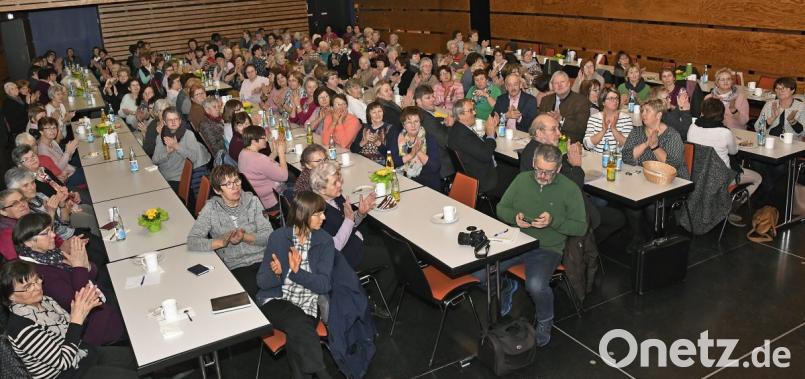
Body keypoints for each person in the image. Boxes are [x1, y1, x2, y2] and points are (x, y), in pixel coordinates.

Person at [494, 144, 587, 346]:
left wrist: (554, 221)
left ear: (559, 169)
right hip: (517, 240)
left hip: (547, 248)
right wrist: (514, 217)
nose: (543, 176)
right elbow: (501, 208)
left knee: (535, 285)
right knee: (481, 273)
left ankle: (545, 320)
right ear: (534, 163)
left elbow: (580, 227)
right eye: (539, 170)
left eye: (549, 172)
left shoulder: (569, 189)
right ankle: (507, 286)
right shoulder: (522, 180)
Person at [2, 260, 139, 379]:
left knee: (138, 358)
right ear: (11, 297)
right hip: (69, 374)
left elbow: (71, 329)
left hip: (83, 354)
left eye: (37, 280)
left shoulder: (45, 301)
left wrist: (83, 310)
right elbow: (63, 362)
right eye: (28, 287)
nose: (37, 287)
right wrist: (77, 319)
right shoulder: (21, 328)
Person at [10, 213, 124, 346]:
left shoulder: (48, 254)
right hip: (98, 323)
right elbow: (80, 300)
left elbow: (92, 273)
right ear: (28, 242)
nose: (53, 235)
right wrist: (79, 266)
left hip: (103, 299)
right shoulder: (36, 274)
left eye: (52, 229)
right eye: (46, 233)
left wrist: (84, 265)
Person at [256, 191, 334, 379]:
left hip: (307, 302)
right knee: (299, 323)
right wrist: (277, 274)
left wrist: (297, 273)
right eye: (318, 213)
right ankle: (323, 374)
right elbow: (261, 282)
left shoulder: (324, 241)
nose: (324, 217)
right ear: (302, 215)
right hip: (277, 300)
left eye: (323, 212)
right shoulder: (278, 238)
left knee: (297, 332)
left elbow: (324, 285)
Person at [187, 165, 271, 296]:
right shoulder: (211, 209)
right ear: (217, 190)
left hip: (262, 259)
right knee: (252, 294)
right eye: (228, 184)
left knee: (275, 289)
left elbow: (269, 236)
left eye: (237, 181)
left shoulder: (253, 201)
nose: (235, 187)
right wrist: (221, 242)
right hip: (236, 266)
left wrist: (245, 237)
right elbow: (193, 241)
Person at [687, 98, 762, 224]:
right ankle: (731, 207)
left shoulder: (692, 127)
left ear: (702, 112)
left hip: (696, 176)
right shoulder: (724, 132)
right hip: (720, 178)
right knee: (758, 178)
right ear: (721, 114)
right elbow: (733, 152)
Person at [310, 160, 376, 270]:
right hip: (346, 258)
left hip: (355, 240)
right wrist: (350, 220)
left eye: (339, 179)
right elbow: (333, 248)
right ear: (321, 189)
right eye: (334, 183)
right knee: (389, 257)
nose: (340, 184)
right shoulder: (318, 213)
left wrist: (360, 213)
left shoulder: (335, 196)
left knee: (387, 243)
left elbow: (347, 222)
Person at [622, 99, 689, 179]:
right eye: (642, 111)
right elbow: (626, 157)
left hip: (671, 182)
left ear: (658, 115)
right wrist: (646, 144)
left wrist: (655, 147)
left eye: (647, 111)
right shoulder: (637, 131)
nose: (643, 114)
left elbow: (672, 166)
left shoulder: (672, 135)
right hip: (643, 179)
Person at [447, 99, 501, 195]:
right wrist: (490, 134)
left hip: (472, 171)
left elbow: (477, 145)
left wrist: (491, 131)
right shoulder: (463, 136)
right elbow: (486, 155)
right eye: (471, 110)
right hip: (483, 179)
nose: (475, 113)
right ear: (460, 115)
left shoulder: (458, 129)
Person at [152, 107, 211, 191]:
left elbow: (194, 157)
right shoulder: (161, 137)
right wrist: (167, 153)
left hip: (179, 179)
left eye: (176, 119)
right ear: (165, 122)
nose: (173, 122)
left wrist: (177, 146)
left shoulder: (188, 135)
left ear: (180, 121)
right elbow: (154, 160)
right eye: (169, 120)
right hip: (162, 176)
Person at [388, 107, 442, 190]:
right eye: (409, 122)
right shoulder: (399, 138)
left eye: (416, 121)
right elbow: (392, 163)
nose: (413, 125)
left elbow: (435, 167)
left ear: (420, 122)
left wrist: (418, 152)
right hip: (404, 182)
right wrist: (411, 155)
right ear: (403, 125)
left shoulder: (429, 139)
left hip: (427, 186)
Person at [238, 125, 288, 212]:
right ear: (254, 141)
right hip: (273, 201)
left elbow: (264, 166)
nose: (266, 140)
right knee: (295, 181)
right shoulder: (259, 159)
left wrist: (275, 151)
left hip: (259, 199)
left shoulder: (243, 153)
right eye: (263, 138)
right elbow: (284, 176)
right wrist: (281, 153)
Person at [415, 85, 454, 184]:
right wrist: (449, 126)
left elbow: (434, 123)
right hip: (443, 166)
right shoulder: (428, 121)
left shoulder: (419, 113)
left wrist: (441, 122)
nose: (433, 99)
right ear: (418, 101)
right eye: (428, 98)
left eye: (433, 96)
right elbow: (447, 142)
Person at [537, 71, 590, 143]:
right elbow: (539, 122)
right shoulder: (545, 100)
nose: (559, 85)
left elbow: (581, 128)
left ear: (569, 83)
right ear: (552, 86)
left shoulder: (581, 101)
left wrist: (561, 120)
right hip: (546, 141)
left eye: (562, 82)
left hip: (568, 142)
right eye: (556, 83)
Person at [583, 88, 633, 153]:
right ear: (603, 102)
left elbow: (628, 146)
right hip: (596, 159)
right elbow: (587, 145)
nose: (615, 101)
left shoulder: (626, 118)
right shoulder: (594, 118)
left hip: (617, 159)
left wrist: (613, 129)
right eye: (611, 98)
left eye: (616, 98)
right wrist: (603, 131)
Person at [36, 116, 82, 187]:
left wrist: (70, 152)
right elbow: (58, 169)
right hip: (66, 180)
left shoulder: (52, 142)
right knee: (87, 171)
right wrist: (67, 152)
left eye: (54, 128)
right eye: (48, 128)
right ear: (41, 132)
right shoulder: (42, 150)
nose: (52, 131)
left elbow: (65, 160)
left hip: (70, 170)